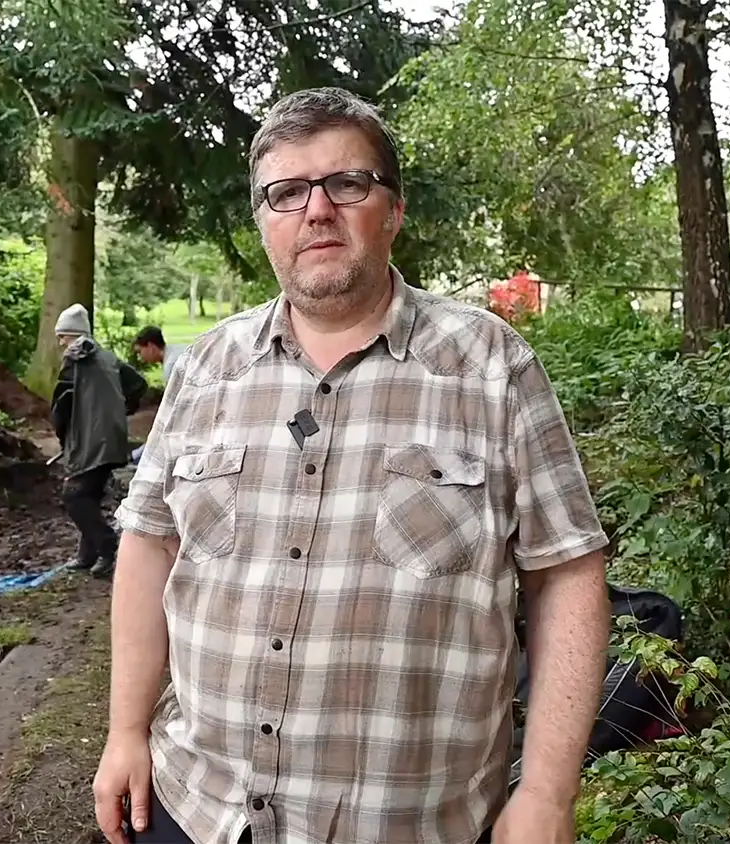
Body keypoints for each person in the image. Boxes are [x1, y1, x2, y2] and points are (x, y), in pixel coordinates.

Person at [94, 87, 613, 844]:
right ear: (263, 221)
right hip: (199, 808)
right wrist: (124, 730)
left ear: (393, 210)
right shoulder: (206, 368)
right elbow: (149, 546)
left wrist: (546, 793)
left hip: (411, 826)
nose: (316, 210)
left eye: (347, 183)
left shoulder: (491, 366)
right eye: (286, 192)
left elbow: (567, 572)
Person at [52, 303, 148, 579]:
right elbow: (138, 384)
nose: (60, 342)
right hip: (113, 437)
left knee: (74, 495)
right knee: (90, 493)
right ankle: (88, 554)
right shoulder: (108, 357)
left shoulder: (73, 360)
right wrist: (121, 410)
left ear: (72, 335)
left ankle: (107, 545)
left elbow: (61, 406)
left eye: (62, 336)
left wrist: (64, 438)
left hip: (89, 441)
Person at [129, 326, 187, 465]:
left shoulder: (171, 365)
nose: (141, 357)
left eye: (140, 352)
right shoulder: (177, 351)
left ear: (150, 346)